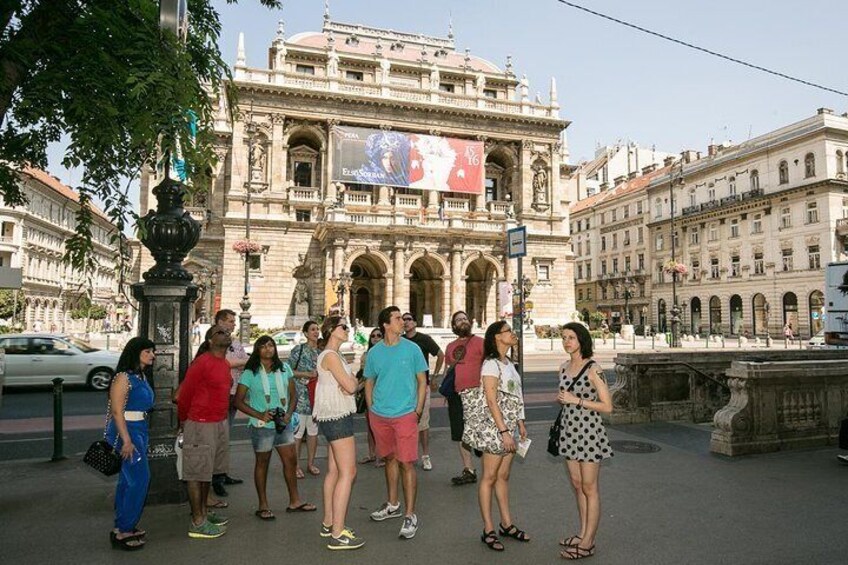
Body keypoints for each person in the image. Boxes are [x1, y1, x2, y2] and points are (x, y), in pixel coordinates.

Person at [234, 335, 316, 521]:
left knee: (291, 461)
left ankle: (295, 501)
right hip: (261, 425)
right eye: (263, 346)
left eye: (271, 345)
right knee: (262, 463)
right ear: (257, 350)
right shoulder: (250, 372)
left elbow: (293, 395)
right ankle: (263, 505)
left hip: (282, 424)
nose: (268, 349)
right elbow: (238, 401)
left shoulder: (284, 368)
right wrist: (259, 414)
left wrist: (288, 415)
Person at [364, 306, 428, 539]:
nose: (403, 321)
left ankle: (410, 515)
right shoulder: (374, 352)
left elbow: (422, 381)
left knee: (407, 463)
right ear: (386, 324)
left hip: (405, 415)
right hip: (380, 415)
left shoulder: (413, 349)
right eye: (398, 318)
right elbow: (369, 381)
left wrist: (418, 410)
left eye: (403, 318)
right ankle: (393, 504)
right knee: (389, 457)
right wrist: (371, 409)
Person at [556, 322, 614, 560]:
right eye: (564, 337)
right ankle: (582, 533)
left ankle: (588, 542)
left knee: (590, 488)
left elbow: (608, 406)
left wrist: (576, 400)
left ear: (581, 340)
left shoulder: (594, 368)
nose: (567, 342)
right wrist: (564, 399)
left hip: (589, 432)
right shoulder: (563, 367)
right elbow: (566, 397)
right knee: (578, 485)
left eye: (571, 337)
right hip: (569, 431)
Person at [473, 321, 528, 552]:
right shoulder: (490, 365)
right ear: (497, 337)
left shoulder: (508, 364)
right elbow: (491, 400)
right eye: (508, 331)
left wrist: (520, 424)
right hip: (496, 429)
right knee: (489, 477)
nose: (512, 334)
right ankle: (488, 528)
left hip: (510, 428)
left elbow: (515, 395)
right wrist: (505, 431)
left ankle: (506, 524)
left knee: (503, 476)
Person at [313, 316, 365, 550]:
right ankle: (338, 533)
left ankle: (329, 522)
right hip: (337, 416)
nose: (348, 330)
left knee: (334, 470)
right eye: (344, 327)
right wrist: (349, 384)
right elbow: (353, 385)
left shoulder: (332, 355)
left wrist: (348, 384)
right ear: (332, 330)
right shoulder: (332, 356)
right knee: (348, 472)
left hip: (331, 415)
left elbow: (349, 384)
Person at [178, 326, 234, 539]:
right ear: (210, 340)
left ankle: (203, 512)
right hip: (200, 423)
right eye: (220, 332)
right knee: (196, 473)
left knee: (207, 471)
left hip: (219, 423)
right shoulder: (202, 362)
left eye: (227, 332)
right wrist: (184, 421)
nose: (226, 334)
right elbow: (184, 394)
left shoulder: (224, 364)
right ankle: (197, 521)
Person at [106, 337, 156, 551]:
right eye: (148, 351)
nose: (152, 354)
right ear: (135, 353)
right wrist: (126, 440)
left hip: (139, 430)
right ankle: (124, 529)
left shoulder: (140, 376)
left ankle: (123, 525)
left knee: (128, 481)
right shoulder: (123, 377)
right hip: (127, 432)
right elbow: (116, 411)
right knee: (140, 479)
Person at [444, 310, 485, 485]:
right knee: (460, 433)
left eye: (465, 319)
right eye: (459, 320)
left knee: (478, 431)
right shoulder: (450, 346)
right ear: (454, 325)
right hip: (456, 394)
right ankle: (469, 469)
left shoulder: (480, 343)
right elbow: (449, 369)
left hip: (477, 394)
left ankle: (488, 469)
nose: (463, 321)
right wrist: (447, 391)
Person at [402, 312, 445, 471]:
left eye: (409, 319)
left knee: (423, 423)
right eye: (403, 319)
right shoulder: (400, 341)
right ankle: (409, 454)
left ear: (414, 322)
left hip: (421, 386)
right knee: (405, 422)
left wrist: (434, 376)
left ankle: (425, 455)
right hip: (404, 387)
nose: (406, 322)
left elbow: (441, 355)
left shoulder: (424, 339)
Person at [214, 309, 246, 495]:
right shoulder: (215, 341)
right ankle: (216, 478)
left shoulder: (234, 341)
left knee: (226, 435)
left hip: (234, 392)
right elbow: (225, 362)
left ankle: (222, 472)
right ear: (220, 322)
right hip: (221, 393)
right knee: (219, 435)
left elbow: (244, 360)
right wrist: (239, 361)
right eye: (230, 321)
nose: (234, 324)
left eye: (234, 321)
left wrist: (239, 361)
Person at [288, 320, 321, 479]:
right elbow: (288, 370)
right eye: (313, 329)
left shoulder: (321, 352)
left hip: (316, 397)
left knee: (313, 432)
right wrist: (306, 375)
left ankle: (310, 463)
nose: (316, 332)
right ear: (306, 333)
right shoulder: (298, 350)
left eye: (317, 329)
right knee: (298, 433)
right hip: (300, 397)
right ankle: (295, 466)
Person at [357, 327, 384, 467]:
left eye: (379, 335)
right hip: (369, 394)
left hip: (383, 394)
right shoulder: (366, 355)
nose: (375, 338)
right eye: (373, 336)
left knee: (380, 427)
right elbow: (363, 375)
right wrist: (357, 388)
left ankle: (381, 456)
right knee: (370, 426)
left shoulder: (386, 353)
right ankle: (372, 454)